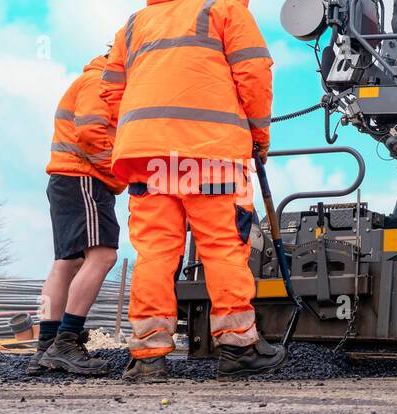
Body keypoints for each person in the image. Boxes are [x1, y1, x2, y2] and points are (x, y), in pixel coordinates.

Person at [101, 0, 286, 383]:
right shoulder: (224, 10)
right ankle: (238, 347)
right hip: (211, 152)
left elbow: (111, 93)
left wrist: (142, 135)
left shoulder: (136, 23)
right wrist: (258, 137)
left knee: (154, 251)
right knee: (221, 246)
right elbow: (254, 73)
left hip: (149, 157)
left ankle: (148, 356)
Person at [32, 53, 125, 377]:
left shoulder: (90, 78)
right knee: (103, 256)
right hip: (85, 178)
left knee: (67, 262)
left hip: (65, 180)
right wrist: (118, 174)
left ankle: (46, 345)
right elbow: (90, 134)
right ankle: (66, 342)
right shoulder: (101, 81)